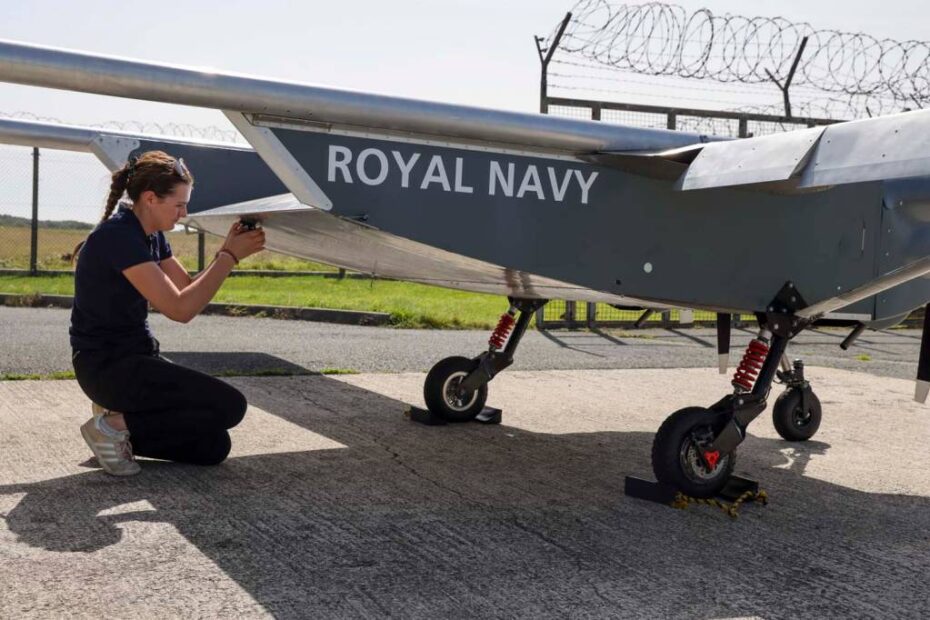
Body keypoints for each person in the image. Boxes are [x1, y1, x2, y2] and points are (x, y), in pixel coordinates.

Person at [70, 151, 265, 476]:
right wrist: (230, 256)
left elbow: (187, 286)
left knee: (213, 447)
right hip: (107, 368)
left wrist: (227, 250)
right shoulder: (119, 237)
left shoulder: (150, 236)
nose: (184, 213)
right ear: (150, 198)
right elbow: (180, 309)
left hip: (138, 361)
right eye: (178, 204)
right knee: (230, 406)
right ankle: (113, 424)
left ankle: (115, 425)